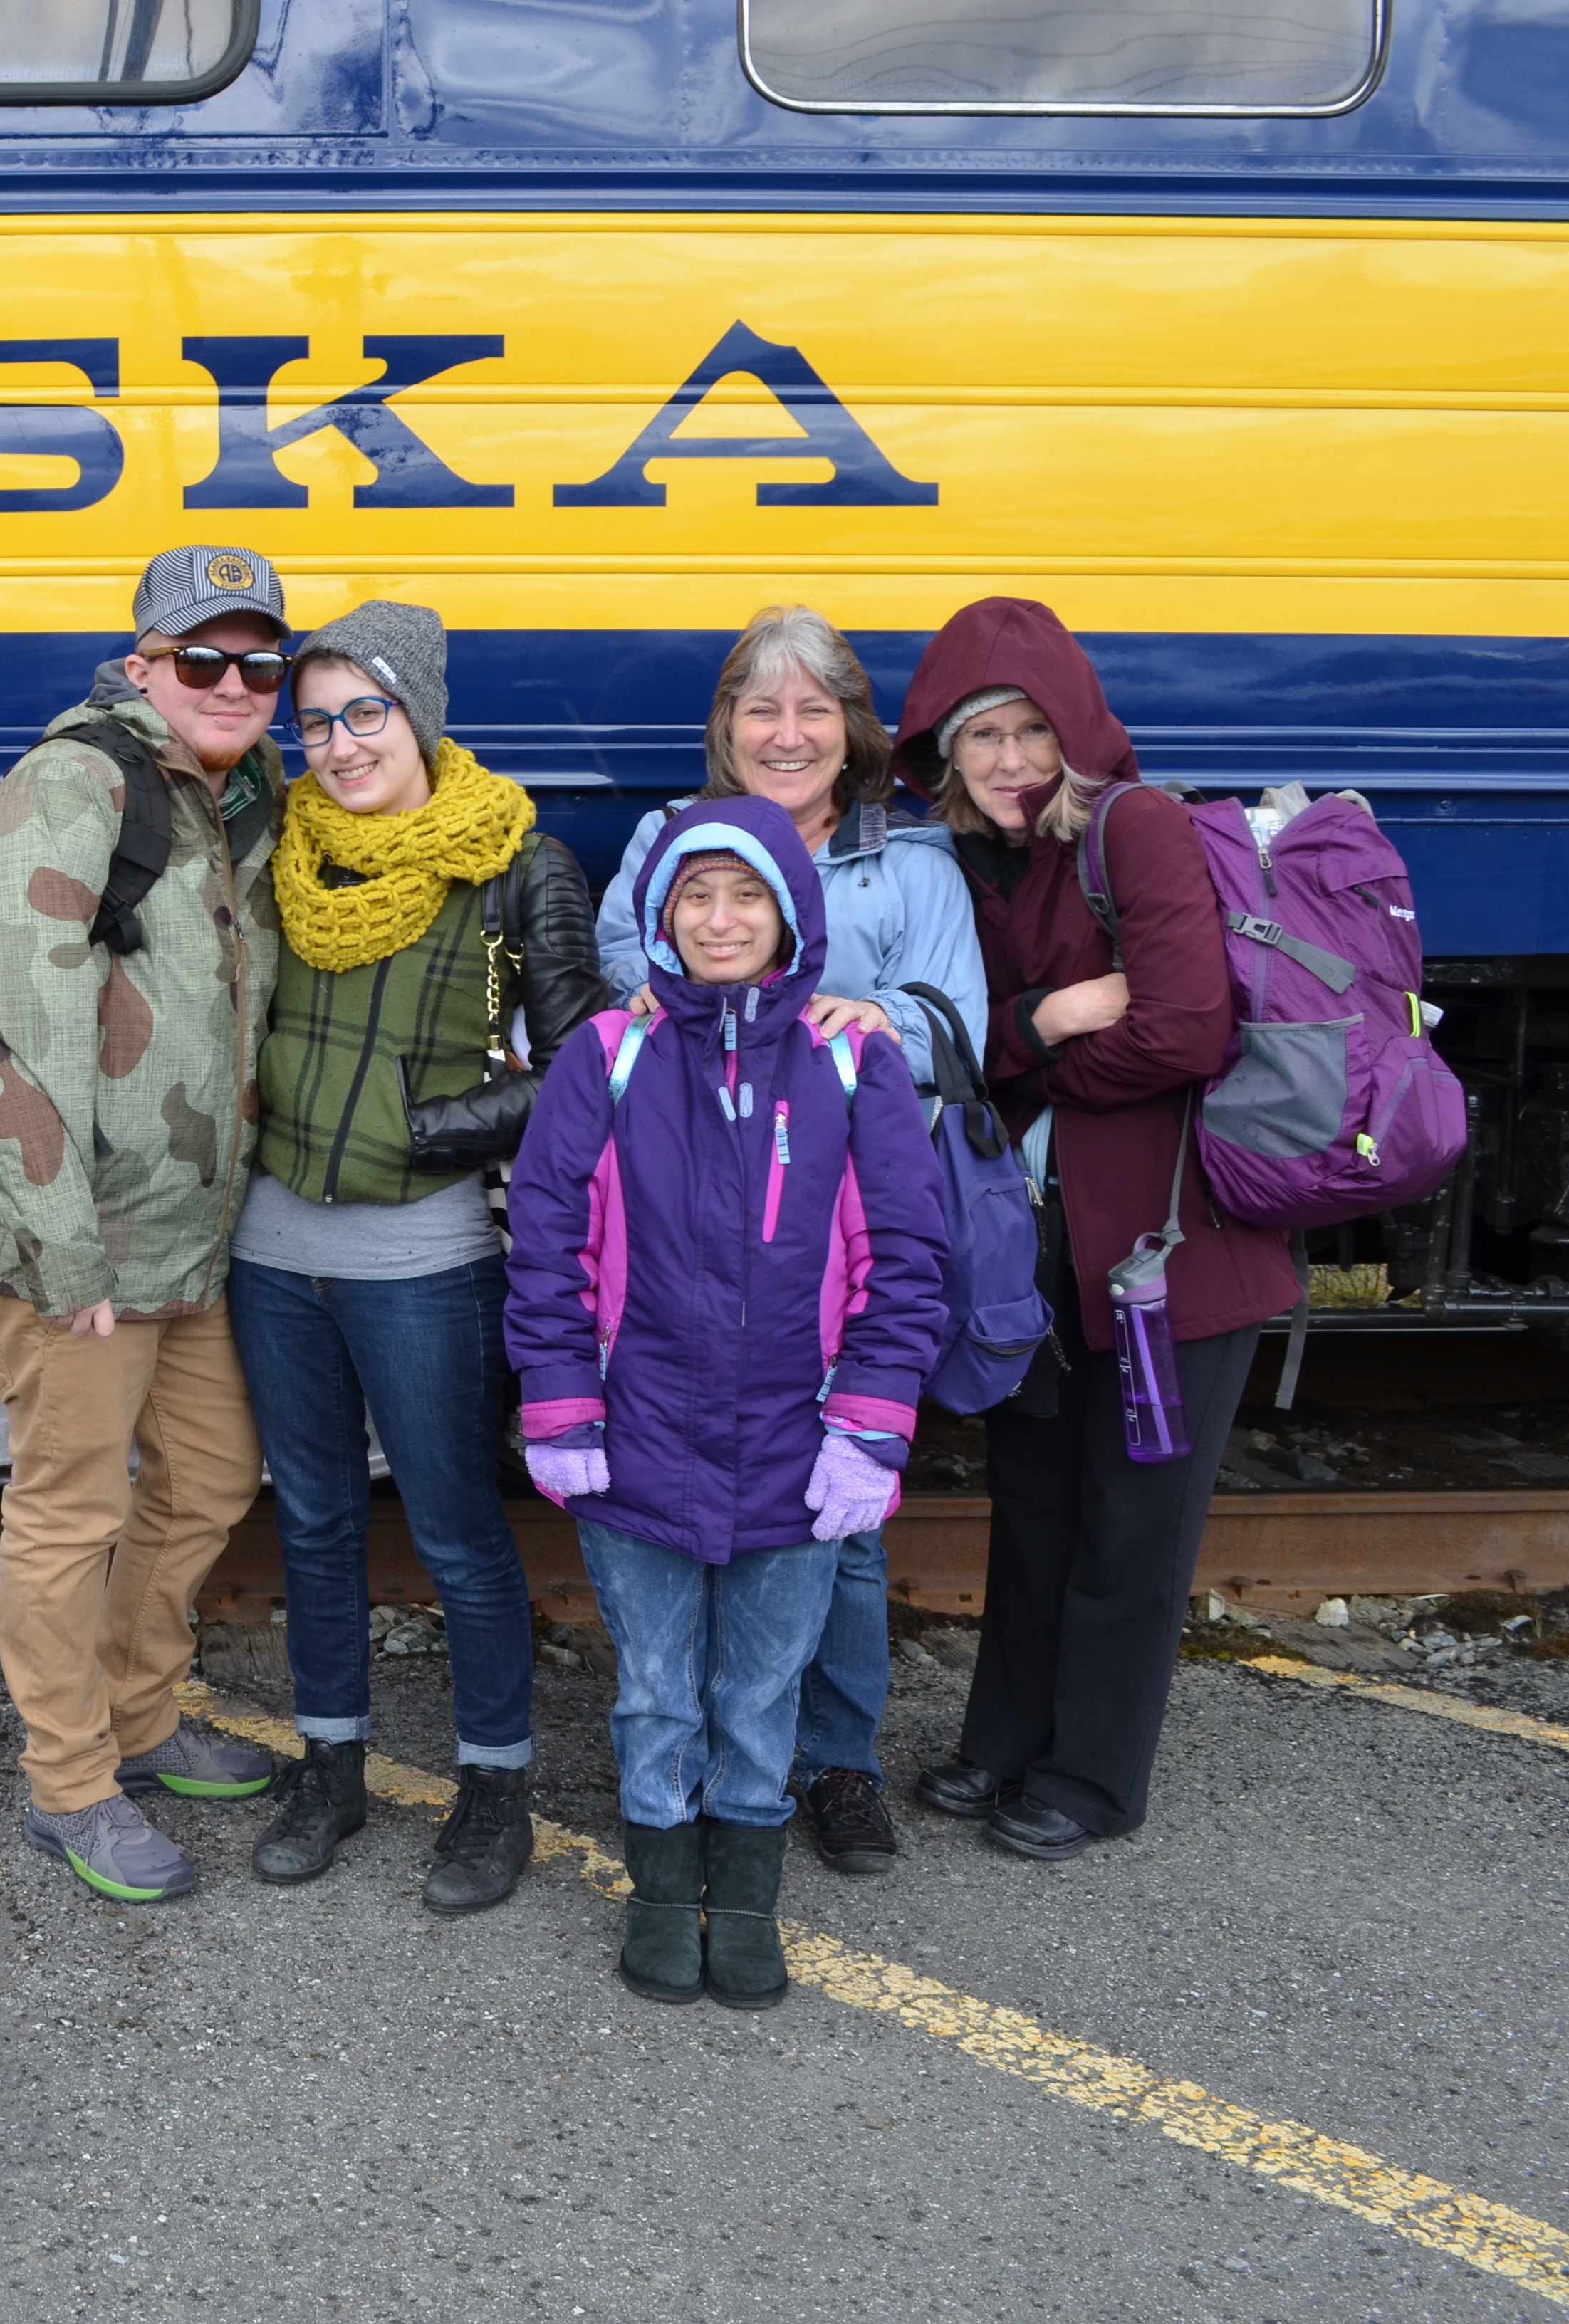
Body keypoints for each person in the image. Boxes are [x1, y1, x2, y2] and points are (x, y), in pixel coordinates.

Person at [504, 800, 947, 2007]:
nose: (719, 918)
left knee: (761, 1689)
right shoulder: (609, 1055)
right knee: (655, 1685)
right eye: (695, 895)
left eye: (746, 895)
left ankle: (745, 1894)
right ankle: (661, 1887)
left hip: (798, 1447)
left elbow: (904, 1253)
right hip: (637, 1433)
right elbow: (546, 1245)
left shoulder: (857, 1060)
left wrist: (869, 1422)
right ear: (659, 913)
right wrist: (561, 1407)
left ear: (791, 911)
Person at [895, 597, 1298, 1863]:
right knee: (1035, 1505)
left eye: (1029, 732)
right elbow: (981, 1047)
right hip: (1045, 1256)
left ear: (1076, 734)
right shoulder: (974, 867)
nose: (1010, 762)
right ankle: (1005, 1741)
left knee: (1133, 1523)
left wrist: (1030, 1058)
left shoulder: (1141, 828)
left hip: (1169, 1258)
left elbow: (1189, 1031)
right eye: (981, 741)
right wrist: (1056, 1020)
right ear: (947, 761)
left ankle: (1093, 1777)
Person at [593, 605, 987, 1878]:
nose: (788, 732)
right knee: (697, 1519)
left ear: (852, 731)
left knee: (841, 1527)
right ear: (728, 728)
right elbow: (632, 982)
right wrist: (740, 1001)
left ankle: (837, 1764)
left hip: (846, 1235)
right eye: (762, 709)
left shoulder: (913, 867)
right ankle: (710, 1765)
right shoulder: (668, 843)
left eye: (815, 709)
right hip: (693, 1232)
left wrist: (851, 1017)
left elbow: (952, 1036)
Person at [229, 600, 609, 1912]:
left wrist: (427, 1125)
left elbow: (578, 1069)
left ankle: (494, 1784)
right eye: (317, 719)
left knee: (455, 1535)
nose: (338, 747)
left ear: (420, 714)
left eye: (366, 714)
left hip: (427, 1257)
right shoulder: (282, 847)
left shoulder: (515, 872)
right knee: (317, 1519)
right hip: (274, 1250)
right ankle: (329, 1767)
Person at [0, 543, 295, 1905]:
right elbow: (13, 1022)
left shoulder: (223, 794)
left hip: (187, 1236)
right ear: (143, 664)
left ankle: (142, 1717)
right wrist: (61, 1244)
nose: (234, 682)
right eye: (202, 657)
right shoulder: (77, 783)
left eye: (259, 664)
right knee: (71, 1509)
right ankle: (70, 1781)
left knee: (212, 1476)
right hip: (77, 1239)